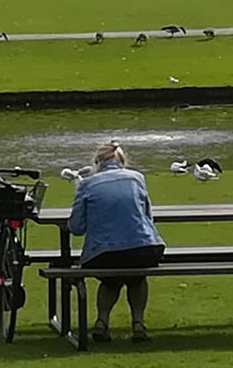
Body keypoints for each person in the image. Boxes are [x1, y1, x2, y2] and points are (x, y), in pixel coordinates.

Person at [68, 141, 165, 343]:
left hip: (104, 254)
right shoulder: (138, 178)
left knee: (111, 277)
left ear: (97, 162)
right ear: (122, 161)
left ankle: (102, 321)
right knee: (137, 276)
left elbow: (76, 228)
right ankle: (138, 322)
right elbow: (147, 216)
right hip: (145, 248)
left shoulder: (87, 184)